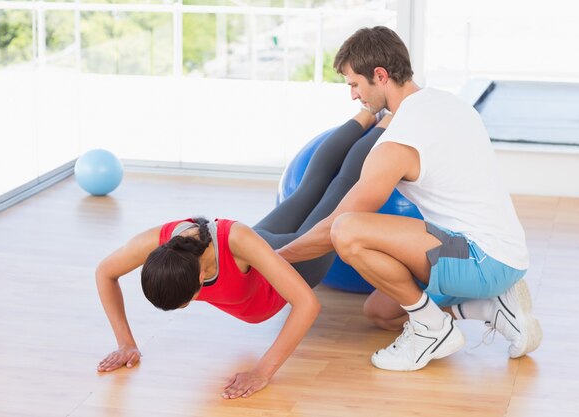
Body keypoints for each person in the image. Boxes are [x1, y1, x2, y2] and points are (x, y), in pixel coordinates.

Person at [277, 26, 543, 372]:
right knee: (382, 312)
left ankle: (432, 331)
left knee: (348, 230)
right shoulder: (444, 102)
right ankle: (493, 308)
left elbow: (334, 227)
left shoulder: (397, 143)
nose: (354, 96)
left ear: (380, 75)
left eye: (355, 84)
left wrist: (277, 258)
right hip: (507, 253)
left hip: (479, 258)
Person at [95, 109, 393, 399]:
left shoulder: (235, 239)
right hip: (257, 244)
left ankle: (386, 117)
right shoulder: (156, 242)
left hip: (296, 262)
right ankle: (367, 113)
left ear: (200, 275)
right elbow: (104, 273)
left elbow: (306, 305)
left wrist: (262, 371)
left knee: (336, 188)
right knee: (307, 191)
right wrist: (125, 343)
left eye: (188, 301)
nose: (191, 304)